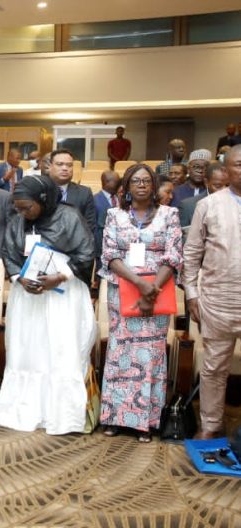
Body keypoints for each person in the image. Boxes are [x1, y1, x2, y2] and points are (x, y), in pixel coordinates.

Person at [0, 175, 96, 435]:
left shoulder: (69, 217)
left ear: (43, 199)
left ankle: (60, 416)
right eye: (18, 207)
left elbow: (86, 253)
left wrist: (60, 276)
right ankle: (28, 410)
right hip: (29, 298)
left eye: (27, 207)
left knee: (59, 351)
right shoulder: (19, 221)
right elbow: (8, 253)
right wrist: (19, 278)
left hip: (63, 296)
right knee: (29, 352)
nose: (21, 212)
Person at [98, 164, 183, 443]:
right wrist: (140, 284)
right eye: (136, 181)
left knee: (150, 356)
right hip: (123, 289)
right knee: (120, 352)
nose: (142, 185)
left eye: (147, 181)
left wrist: (152, 289)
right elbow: (109, 254)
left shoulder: (170, 215)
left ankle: (144, 422)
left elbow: (173, 256)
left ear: (155, 185)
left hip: (159, 290)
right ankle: (115, 417)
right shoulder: (114, 214)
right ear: (127, 186)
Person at [182, 145, 241, 439]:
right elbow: (191, 253)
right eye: (239, 165)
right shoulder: (209, 204)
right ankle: (211, 424)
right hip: (218, 299)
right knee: (214, 367)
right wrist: (191, 294)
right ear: (226, 170)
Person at [48, 149, 97, 234]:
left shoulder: (84, 193)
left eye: (69, 165)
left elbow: (89, 226)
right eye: (59, 164)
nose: (65, 168)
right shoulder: (39, 190)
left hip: (75, 244)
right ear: (50, 166)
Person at [180, 163, 228, 229]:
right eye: (218, 186)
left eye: (228, 186)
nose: (224, 190)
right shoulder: (188, 206)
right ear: (206, 182)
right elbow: (185, 237)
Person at [94, 170, 120, 277]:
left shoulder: (120, 198)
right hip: (100, 243)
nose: (119, 184)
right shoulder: (94, 199)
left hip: (118, 243)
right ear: (106, 182)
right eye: (116, 181)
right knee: (102, 275)